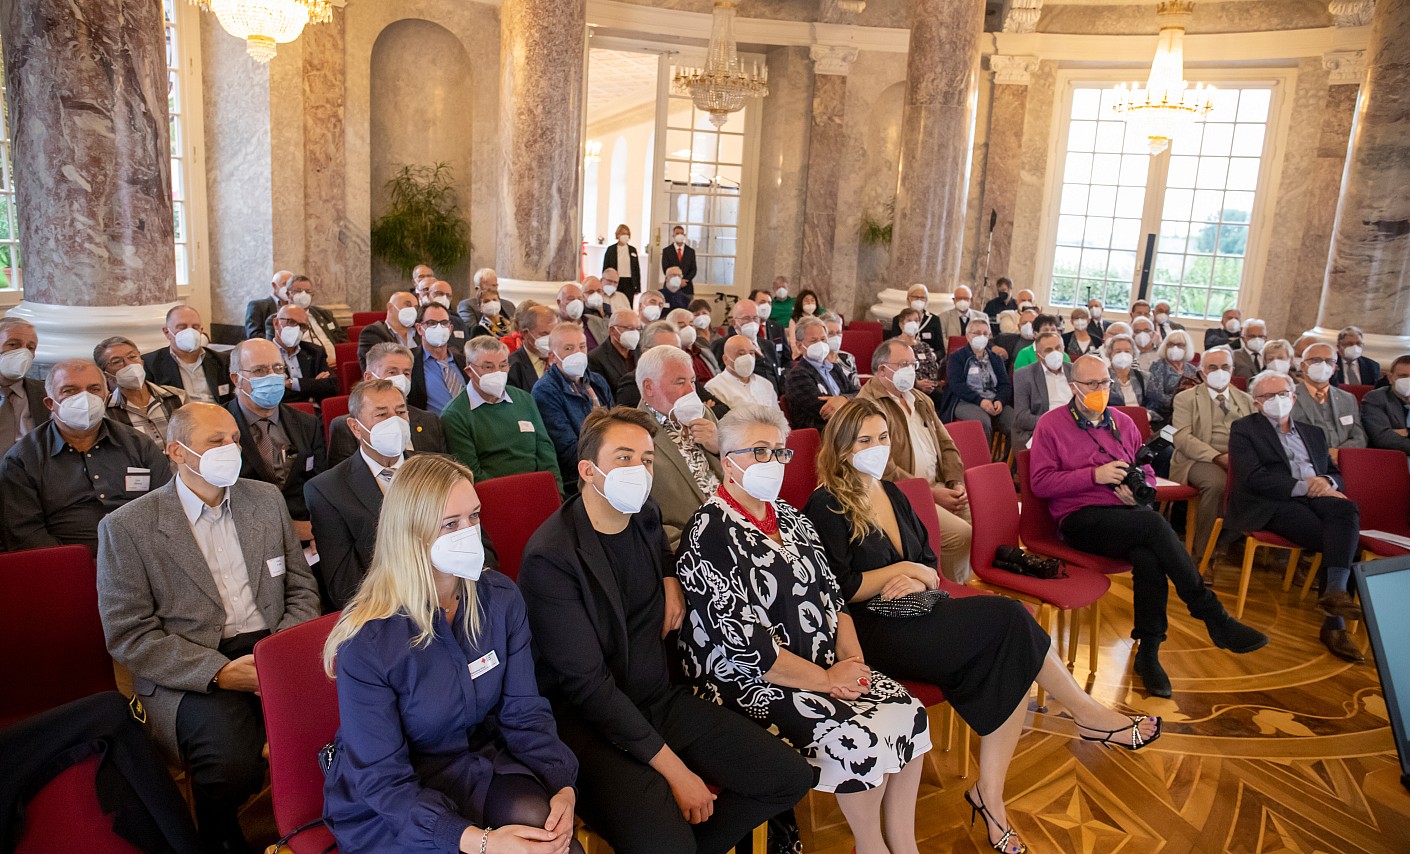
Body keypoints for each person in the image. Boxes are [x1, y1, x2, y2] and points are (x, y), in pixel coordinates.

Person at [805, 399, 1164, 854]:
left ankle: (990, 796)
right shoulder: (826, 503)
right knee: (1010, 620)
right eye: (865, 441)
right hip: (874, 628)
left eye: (882, 438)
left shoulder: (891, 491)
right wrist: (910, 572)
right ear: (841, 447)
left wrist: (918, 574)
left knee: (1005, 652)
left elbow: (930, 564)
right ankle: (1085, 716)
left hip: (921, 607)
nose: (878, 447)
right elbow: (838, 586)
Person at [519, 407, 812, 853]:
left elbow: (661, 549)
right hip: (590, 723)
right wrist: (678, 772)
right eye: (623, 458)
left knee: (787, 776)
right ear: (587, 470)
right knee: (666, 836)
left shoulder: (643, 512)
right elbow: (589, 688)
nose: (638, 469)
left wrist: (671, 577)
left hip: (655, 697)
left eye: (647, 458)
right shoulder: (551, 558)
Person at [676, 404, 930, 854]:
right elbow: (745, 646)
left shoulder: (791, 518)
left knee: (909, 712)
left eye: (779, 451)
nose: (772, 462)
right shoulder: (709, 531)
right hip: (748, 682)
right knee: (861, 739)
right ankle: (872, 846)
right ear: (727, 459)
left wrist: (850, 658)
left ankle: (904, 841)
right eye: (759, 451)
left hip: (824, 663)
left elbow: (834, 596)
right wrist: (828, 680)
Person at [320, 454, 579, 854]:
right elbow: (384, 781)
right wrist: (482, 842)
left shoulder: (500, 598)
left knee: (545, 834)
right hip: (395, 801)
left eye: (474, 517)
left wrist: (561, 784)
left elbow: (524, 711)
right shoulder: (368, 643)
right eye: (451, 524)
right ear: (411, 533)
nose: (469, 532)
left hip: (473, 761)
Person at [97, 402, 319, 852]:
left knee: (344, 724)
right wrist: (218, 672)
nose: (231, 449)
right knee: (229, 764)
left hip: (274, 644)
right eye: (215, 442)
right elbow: (129, 634)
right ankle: (223, 841)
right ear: (177, 452)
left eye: (234, 439)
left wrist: (279, 653)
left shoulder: (265, 499)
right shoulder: (128, 527)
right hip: (194, 662)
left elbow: (301, 587)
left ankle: (324, 826)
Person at [1028, 355, 1268, 698]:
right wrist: (1093, 476)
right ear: (1074, 388)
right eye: (1091, 384)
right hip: (1080, 519)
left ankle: (1149, 651)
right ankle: (1211, 614)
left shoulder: (1123, 422)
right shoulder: (1051, 424)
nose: (1100, 390)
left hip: (1127, 516)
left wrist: (1138, 491)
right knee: (1152, 525)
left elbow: (1147, 471)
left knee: (1148, 554)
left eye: (1105, 383)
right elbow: (1040, 483)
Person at [1229, 371, 1364, 662]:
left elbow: (1333, 471)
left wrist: (1327, 481)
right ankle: (1334, 624)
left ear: (1293, 397)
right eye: (1268, 396)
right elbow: (1253, 477)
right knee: (1342, 541)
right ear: (1256, 403)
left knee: (1346, 509)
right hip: (1271, 502)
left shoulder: (1313, 432)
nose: (1276, 401)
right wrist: (1307, 487)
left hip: (1315, 496)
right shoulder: (1244, 429)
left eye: (1282, 394)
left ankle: (1335, 592)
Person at [1, 358, 171, 553]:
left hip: (142, 555)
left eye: (94, 389)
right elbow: (24, 532)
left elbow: (165, 505)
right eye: (69, 390)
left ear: (106, 397)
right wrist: (75, 566)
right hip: (67, 565)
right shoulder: (22, 459)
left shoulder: (139, 444)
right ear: (50, 403)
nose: (84, 398)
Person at [860, 339, 974, 583]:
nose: (910, 371)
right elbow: (883, 468)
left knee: (982, 523)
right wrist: (930, 494)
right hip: (902, 495)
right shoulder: (867, 406)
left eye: (912, 364)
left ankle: (959, 582)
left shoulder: (920, 399)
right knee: (960, 534)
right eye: (903, 364)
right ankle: (950, 593)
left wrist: (955, 483)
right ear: (882, 370)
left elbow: (947, 445)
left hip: (938, 486)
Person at [306, 380, 416, 610]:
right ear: (355, 428)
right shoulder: (327, 490)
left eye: (400, 412)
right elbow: (345, 585)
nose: (394, 422)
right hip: (385, 609)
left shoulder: (437, 469)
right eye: (382, 415)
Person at [224, 339, 326, 546]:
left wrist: (321, 528)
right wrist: (286, 528)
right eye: (260, 370)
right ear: (237, 378)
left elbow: (319, 484)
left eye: (278, 368)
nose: (272, 376)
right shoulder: (218, 425)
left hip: (306, 532)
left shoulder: (307, 423)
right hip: (244, 535)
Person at [1171, 346, 1254, 577]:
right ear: (1202, 372)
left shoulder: (1246, 400)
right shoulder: (1186, 398)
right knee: (1216, 485)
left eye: (1225, 367)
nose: (1220, 372)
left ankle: (1228, 537)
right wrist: (1217, 457)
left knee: (1262, 482)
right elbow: (1181, 437)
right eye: (1213, 367)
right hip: (1197, 459)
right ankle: (1202, 554)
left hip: (1238, 459)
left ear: (1232, 369)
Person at [441, 335, 562, 492]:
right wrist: (515, 496)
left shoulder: (524, 399)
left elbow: (545, 450)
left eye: (503, 365)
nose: (497, 373)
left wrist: (555, 490)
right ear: (469, 371)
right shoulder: (455, 415)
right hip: (495, 497)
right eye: (488, 367)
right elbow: (471, 473)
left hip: (538, 490)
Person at [633, 344, 724, 549]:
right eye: (680, 382)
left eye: (692, 381)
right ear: (649, 387)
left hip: (735, 522)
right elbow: (641, 516)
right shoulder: (634, 433)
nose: (691, 391)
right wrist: (684, 548)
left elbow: (737, 471)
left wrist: (720, 448)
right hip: (691, 541)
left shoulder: (703, 414)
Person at [327, 343, 446, 467]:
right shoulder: (345, 428)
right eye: (392, 372)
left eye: (406, 373)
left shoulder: (429, 420)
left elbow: (444, 469)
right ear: (369, 377)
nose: (400, 379)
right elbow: (343, 479)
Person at [533, 322, 614, 490]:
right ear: (553, 356)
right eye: (568, 348)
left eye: (582, 346)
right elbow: (568, 452)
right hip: (578, 477)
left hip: (608, 462)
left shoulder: (597, 381)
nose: (577, 353)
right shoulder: (545, 391)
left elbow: (615, 422)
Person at [95, 336, 186, 445]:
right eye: (116, 362)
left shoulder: (177, 396)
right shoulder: (105, 412)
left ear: (142, 362)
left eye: (132, 356)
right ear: (106, 375)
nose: (129, 364)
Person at [939, 318, 1015, 443]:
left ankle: (1007, 461)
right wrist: (980, 401)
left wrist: (1000, 400)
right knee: (982, 422)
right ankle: (983, 460)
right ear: (968, 336)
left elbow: (1005, 384)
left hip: (994, 400)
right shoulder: (957, 357)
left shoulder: (995, 358)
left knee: (1015, 424)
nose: (982, 337)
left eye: (985, 334)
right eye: (978, 333)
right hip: (966, 401)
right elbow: (956, 385)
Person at [1293, 342, 1367, 462]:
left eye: (1329, 362)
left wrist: (1340, 453)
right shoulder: (1289, 396)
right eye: (1316, 360)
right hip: (1305, 461)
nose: (1323, 365)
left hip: (1343, 460)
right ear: (1303, 365)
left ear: (1334, 369)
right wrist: (1322, 454)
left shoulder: (1348, 399)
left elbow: (1359, 436)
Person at [144, 306, 233, 405]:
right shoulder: (150, 365)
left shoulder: (223, 361)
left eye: (195, 327)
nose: (190, 332)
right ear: (167, 332)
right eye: (182, 327)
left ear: (201, 331)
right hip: (179, 418)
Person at [783, 316, 858, 431]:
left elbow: (858, 393)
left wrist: (844, 399)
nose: (820, 344)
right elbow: (824, 410)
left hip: (847, 426)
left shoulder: (834, 368)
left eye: (823, 339)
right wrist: (848, 400)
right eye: (814, 340)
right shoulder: (797, 376)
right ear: (799, 346)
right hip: (821, 432)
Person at [1012, 331, 1073, 451]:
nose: (1055, 353)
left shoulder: (1075, 370)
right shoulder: (1024, 375)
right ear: (1038, 355)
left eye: (1058, 348)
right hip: (1042, 429)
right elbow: (1022, 417)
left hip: (1075, 427)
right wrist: (1056, 424)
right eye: (1048, 350)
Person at [710, 297, 783, 392]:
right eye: (746, 318)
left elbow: (777, 376)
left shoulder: (768, 345)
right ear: (734, 322)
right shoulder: (722, 345)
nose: (752, 322)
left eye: (755, 318)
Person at [271, 305, 340, 404]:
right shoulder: (263, 354)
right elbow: (273, 395)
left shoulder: (315, 351)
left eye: (302, 326)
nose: (297, 329)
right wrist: (313, 385)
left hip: (315, 413)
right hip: (282, 414)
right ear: (276, 323)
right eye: (292, 322)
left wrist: (292, 383)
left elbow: (332, 387)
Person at [263, 275, 344, 358]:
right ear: (287, 294)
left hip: (337, 362)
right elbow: (275, 350)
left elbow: (342, 340)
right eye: (298, 291)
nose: (304, 295)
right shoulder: (279, 319)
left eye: (308, 291)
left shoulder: (324, 314)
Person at [408, 303, 466, 414]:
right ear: (419, 329)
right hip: (433, 428)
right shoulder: (409, 361)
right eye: (432, 323)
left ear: (450, 329)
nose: (439, 328)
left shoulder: (464, 362)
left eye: (444, 323)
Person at [0, 317, 46, 456]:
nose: (24, 353)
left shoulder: (45, 393)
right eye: (13, 345)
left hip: (31, 473)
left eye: (30, 347)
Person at [706, 334, 781, 412]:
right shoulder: (714, 389)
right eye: (741, 354)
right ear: (725, 359)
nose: (748, 358)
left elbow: (779, 418)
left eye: (751, 353)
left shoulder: (765, 384)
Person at [1146, 329, 1199, 427]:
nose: (1175, 348)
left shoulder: (1193, 369)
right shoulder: (1157, 366)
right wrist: (1182, 404)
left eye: (1180, 345)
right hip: (1162, 416)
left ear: (1186, 347)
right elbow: (1157, 397)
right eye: (1170, 344)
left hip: (1189, 414)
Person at [1361, 355, 1410, 457]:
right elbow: (1383, 438)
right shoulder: (1375, 398)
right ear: (1390, 378)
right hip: (1391, 459)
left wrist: (1406, 432)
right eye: (1403, 376)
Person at [358, 291, 419, 371]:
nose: (412, 310)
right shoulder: (373, 332)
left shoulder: (419, 332)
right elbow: (378, 369)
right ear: (390, 307)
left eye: (415, 307)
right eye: (408, 305)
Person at [892, 307, 942, 403]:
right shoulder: (894, 345)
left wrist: (930, 384)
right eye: (909, 320)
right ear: (901, 325)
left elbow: (932, 368)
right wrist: (917, 383)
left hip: (928, 387)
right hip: (906, 386)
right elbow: (894, 369)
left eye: (916, 320)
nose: (913, 323)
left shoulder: (924, 346)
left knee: (943, 397)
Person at [588, 307, 642, 391]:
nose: (635, 333)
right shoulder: (595, 358)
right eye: (630, 328)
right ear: (612, 330)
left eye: (638, 329)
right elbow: (604, 394)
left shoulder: (641, 350)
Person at [507, 304, 558, 393]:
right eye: (544, 334)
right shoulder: (512, 367)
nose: (550, 339)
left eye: (554, 334)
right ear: (526, 333)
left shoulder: (561, 360)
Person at [668, 307, 722, 383]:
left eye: (691, 324)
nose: (688, 329)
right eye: (682, 326)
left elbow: (718, 374)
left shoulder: (704, 351)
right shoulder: (668, 356)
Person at [889, 284, 945, 356]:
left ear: (926, 300)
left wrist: (933, 356)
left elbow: (941, 350)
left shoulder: (934, 320)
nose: (919, 300)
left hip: (927, 359)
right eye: (915, 297)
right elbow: (893, 344)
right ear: (908, 298)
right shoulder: (898, 319)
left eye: (922, 297)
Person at [1106, 333, 1151, 414]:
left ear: (1133, 354)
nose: (1123, 355)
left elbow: (1155, 403)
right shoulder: (1103, 378)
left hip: (1141, 419)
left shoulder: (1144, 377)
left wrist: (1148, 415)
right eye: (1118, 351)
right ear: (1110, 354)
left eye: (1127, 351)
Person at [243, 270, 293, 341]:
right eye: (285, 284)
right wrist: (280, 341)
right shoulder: (257, 306)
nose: (288, 288)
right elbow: (253, 335)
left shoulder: (295, 307)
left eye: (291, 285)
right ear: (274, 285)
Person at [558, 281, 606, 350]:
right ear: (559, 302)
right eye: (571, 299)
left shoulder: (596, 322)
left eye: (579, 299)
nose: (576, 303)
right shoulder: (552, 326)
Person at [602, 224, 642, 302]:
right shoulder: (611, 250)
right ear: (618, 235)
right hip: (615, 280)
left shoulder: (632, 250)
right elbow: (605, 267)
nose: (625, 236)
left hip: (629, 281)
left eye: (627, 234)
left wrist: (638, 286)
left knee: (628, 302)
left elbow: (636, 269)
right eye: (623, 234)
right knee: (614, 301)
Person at [424, 278, 472, 343]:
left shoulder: (458, 322)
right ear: (428, 295)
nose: (444, 298)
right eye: (439, 293)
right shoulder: (421, 319)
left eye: (448, 296)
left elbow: (466, 345)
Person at [661, 226, 697, 303]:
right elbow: (665, 269)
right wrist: (677, 281)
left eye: (681, 233)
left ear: (684, 235)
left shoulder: (691, 251)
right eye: (677, 233)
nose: (679, 235)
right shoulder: (667, 251)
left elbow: (693, 269)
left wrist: (684, 280)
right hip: (670, 286)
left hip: (686, 287)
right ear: (673, 235)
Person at [786, 288, 824, 358]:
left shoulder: (819, 320)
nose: (810, 303)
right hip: (801, 354)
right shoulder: (794, 320)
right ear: (800, 303)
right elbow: (793, 341)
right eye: (806, 301)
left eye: (812, 300)